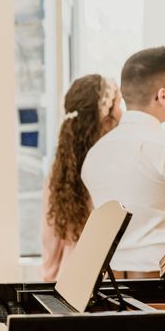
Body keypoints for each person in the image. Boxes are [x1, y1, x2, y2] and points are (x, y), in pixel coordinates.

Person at [82, 47, 165, 279]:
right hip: (156, 286)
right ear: (162, 96)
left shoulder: (95, 154)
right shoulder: (159, 148)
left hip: (109, 286)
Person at [41, 74, 121, 281]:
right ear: (105, 118)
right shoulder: (112, 165)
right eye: (119, 104)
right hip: (108, 283)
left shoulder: (60, 169)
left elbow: (50, 243)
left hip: (70, 282)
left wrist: (50, 283)